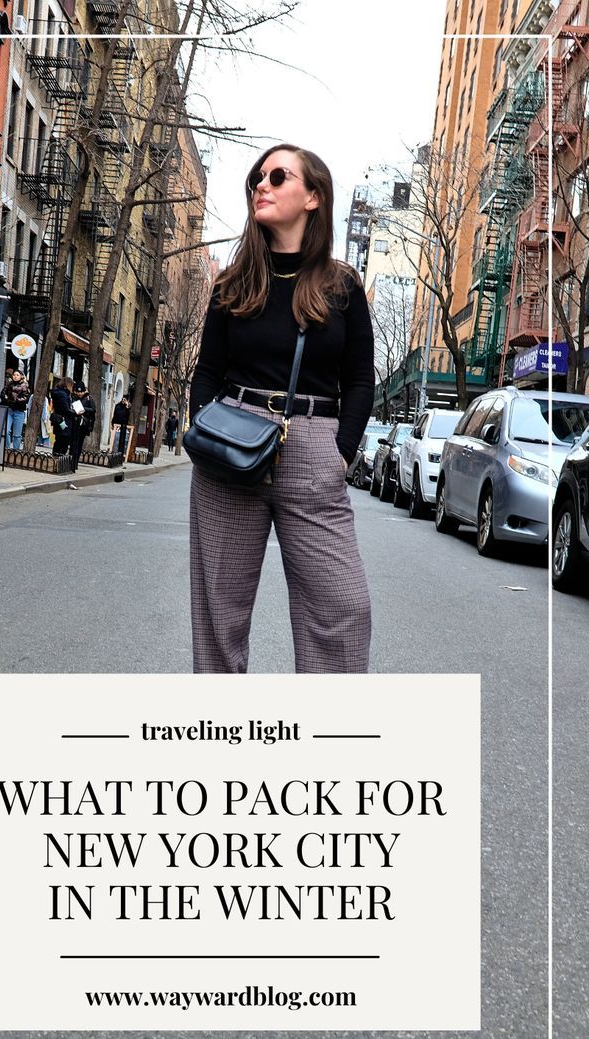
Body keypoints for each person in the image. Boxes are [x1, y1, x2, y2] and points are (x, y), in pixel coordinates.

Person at [188, 143, 375, 675]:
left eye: (277, 176)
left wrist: (340, 452)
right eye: (256, 179)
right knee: (219, 615)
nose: (261, 186)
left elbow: (360, 379)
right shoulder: (232, 282)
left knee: (344, 607)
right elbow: (207, 370)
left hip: (313, 445)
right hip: (231, 445)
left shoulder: (342, 287)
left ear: (313, 196)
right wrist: (205, 428)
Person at [0, 368, 31, 450]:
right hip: (9, 410)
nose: (15, 376)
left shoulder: (25, 386)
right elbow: (2, 394)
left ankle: (15, 452)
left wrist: (15, 400)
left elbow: (26, 398)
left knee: (17, 435)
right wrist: (7, 399)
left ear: (21, 376)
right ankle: (6, 449)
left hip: (19, 412)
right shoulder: (9, 384)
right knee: (6, 431)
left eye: (17, 375)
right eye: (14, 375)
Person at [69, 381, 96, 472]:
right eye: (78, 392)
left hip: (83, 424)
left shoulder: (89, 399)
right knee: (73, 443)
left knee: (79, 443)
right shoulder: (74, 397)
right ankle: (71, 462)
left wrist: (84, 410)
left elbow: (93, 410)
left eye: (81, 392)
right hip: (74, 422)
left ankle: (75, 463)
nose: (80, 393)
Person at [50, 377, 74, 457]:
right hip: (64, 420)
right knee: (63, 440)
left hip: (58, 419)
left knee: (59, 439)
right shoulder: (64, 395)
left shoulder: (58, 393)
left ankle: (56, 455)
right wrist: (74, 412)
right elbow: (65, 409)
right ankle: (58, 456)